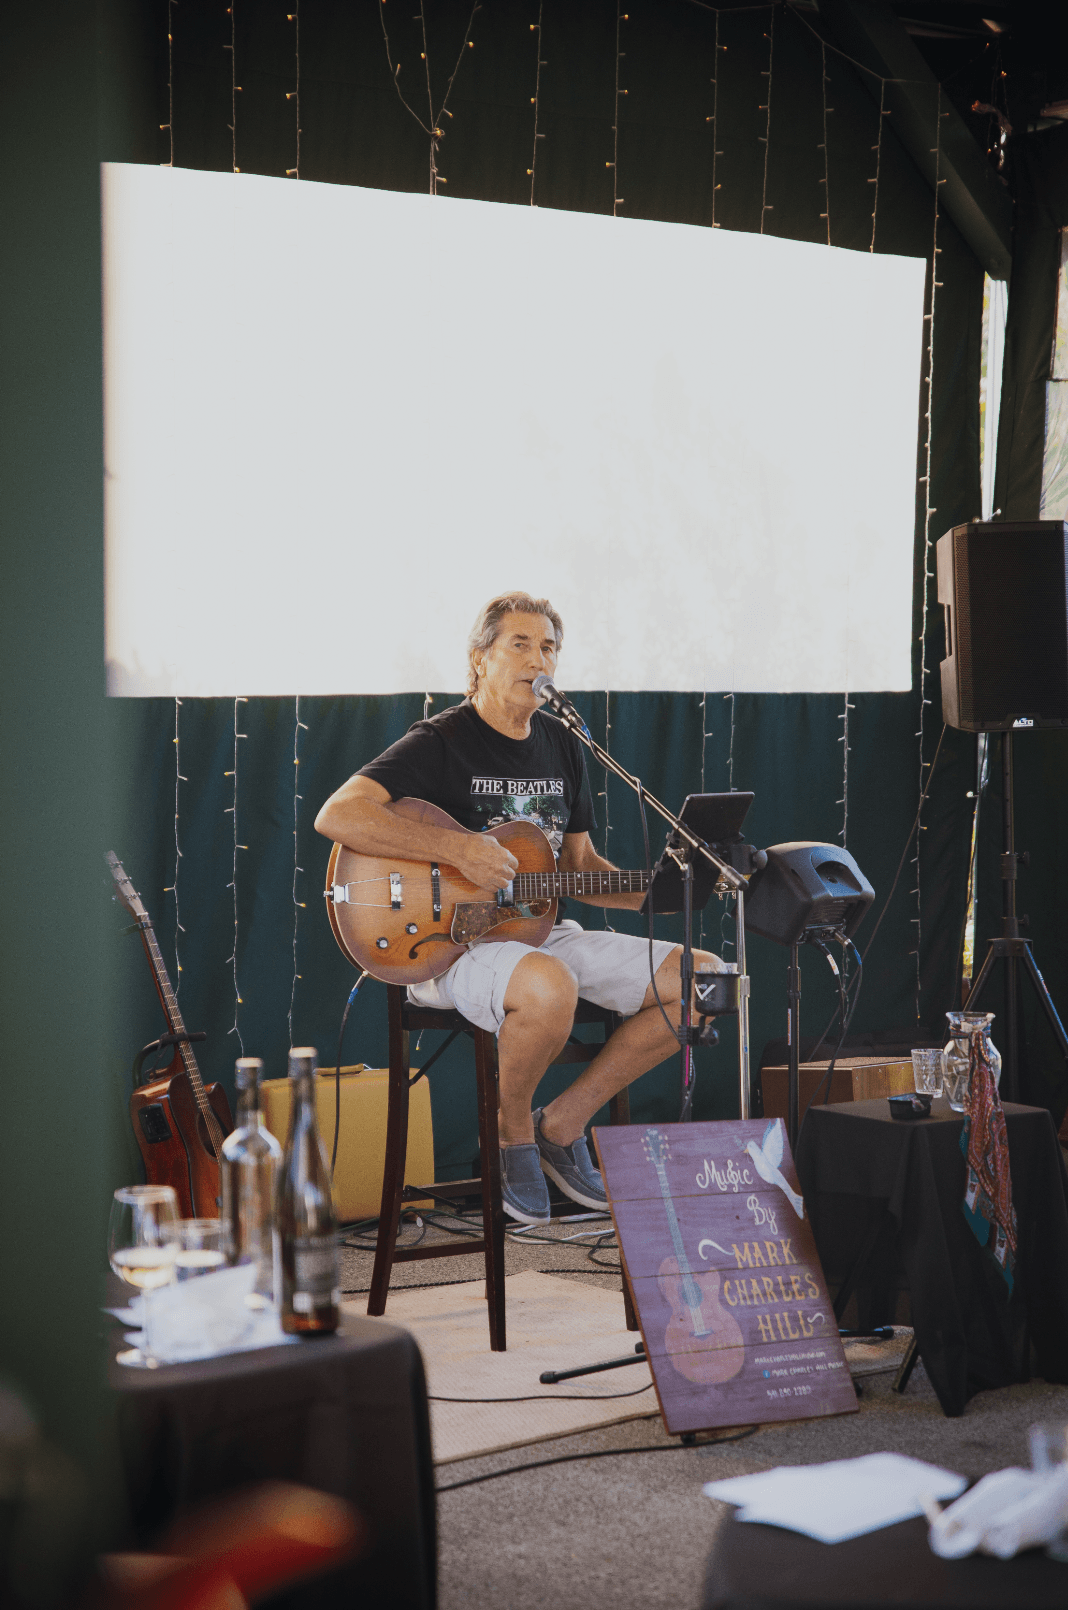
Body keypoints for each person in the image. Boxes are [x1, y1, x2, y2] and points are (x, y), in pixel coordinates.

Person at [314, 592, 727, 1225]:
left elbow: (579, 868)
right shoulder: (441, 740)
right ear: (479, 658)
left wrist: (672, 890)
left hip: (537, 932)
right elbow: (338, 814)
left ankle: (560, 1125)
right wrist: (459, 849)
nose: (539, 660)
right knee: (548, 984)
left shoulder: (563, 745)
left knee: (706, 980)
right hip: (448, 947)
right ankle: (510, 1139)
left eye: (549, 648)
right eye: (521, 644)